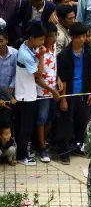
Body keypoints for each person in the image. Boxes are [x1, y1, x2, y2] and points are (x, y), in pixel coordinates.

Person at [15, 23, 60, 166]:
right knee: (26, 128)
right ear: (32, 38)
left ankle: (25, 152)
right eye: (41, 40)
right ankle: (22, 156)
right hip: (26, 95)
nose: (42, 42)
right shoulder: (25, 54)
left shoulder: (27, 47)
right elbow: (39, 74)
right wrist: (41, 56)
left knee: (26, 126)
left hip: (29, 93)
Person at [56, 23, 91, 164]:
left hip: (84, 93)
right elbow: (64, 78)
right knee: (66, 123)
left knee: (83, 121)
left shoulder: (89, 50)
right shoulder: (65, 54)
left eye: (84, 36)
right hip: (70, 94)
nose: (82, 39)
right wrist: (63, 99)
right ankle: (64, 152)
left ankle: (79, 147)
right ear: (72, 37)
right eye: (79, 36)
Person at [34, 23, 60, 163]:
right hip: (44, 91)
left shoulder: (54, 47)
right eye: (51, 36)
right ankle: (42, 147)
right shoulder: (39, 51)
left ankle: (41, 143)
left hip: (54, 88)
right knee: (42, 119)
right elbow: (38, 78)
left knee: (51, 118)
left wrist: (59, 79)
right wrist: (53, 91)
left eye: (55, 35)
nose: (54, 38)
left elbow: (54, 67)